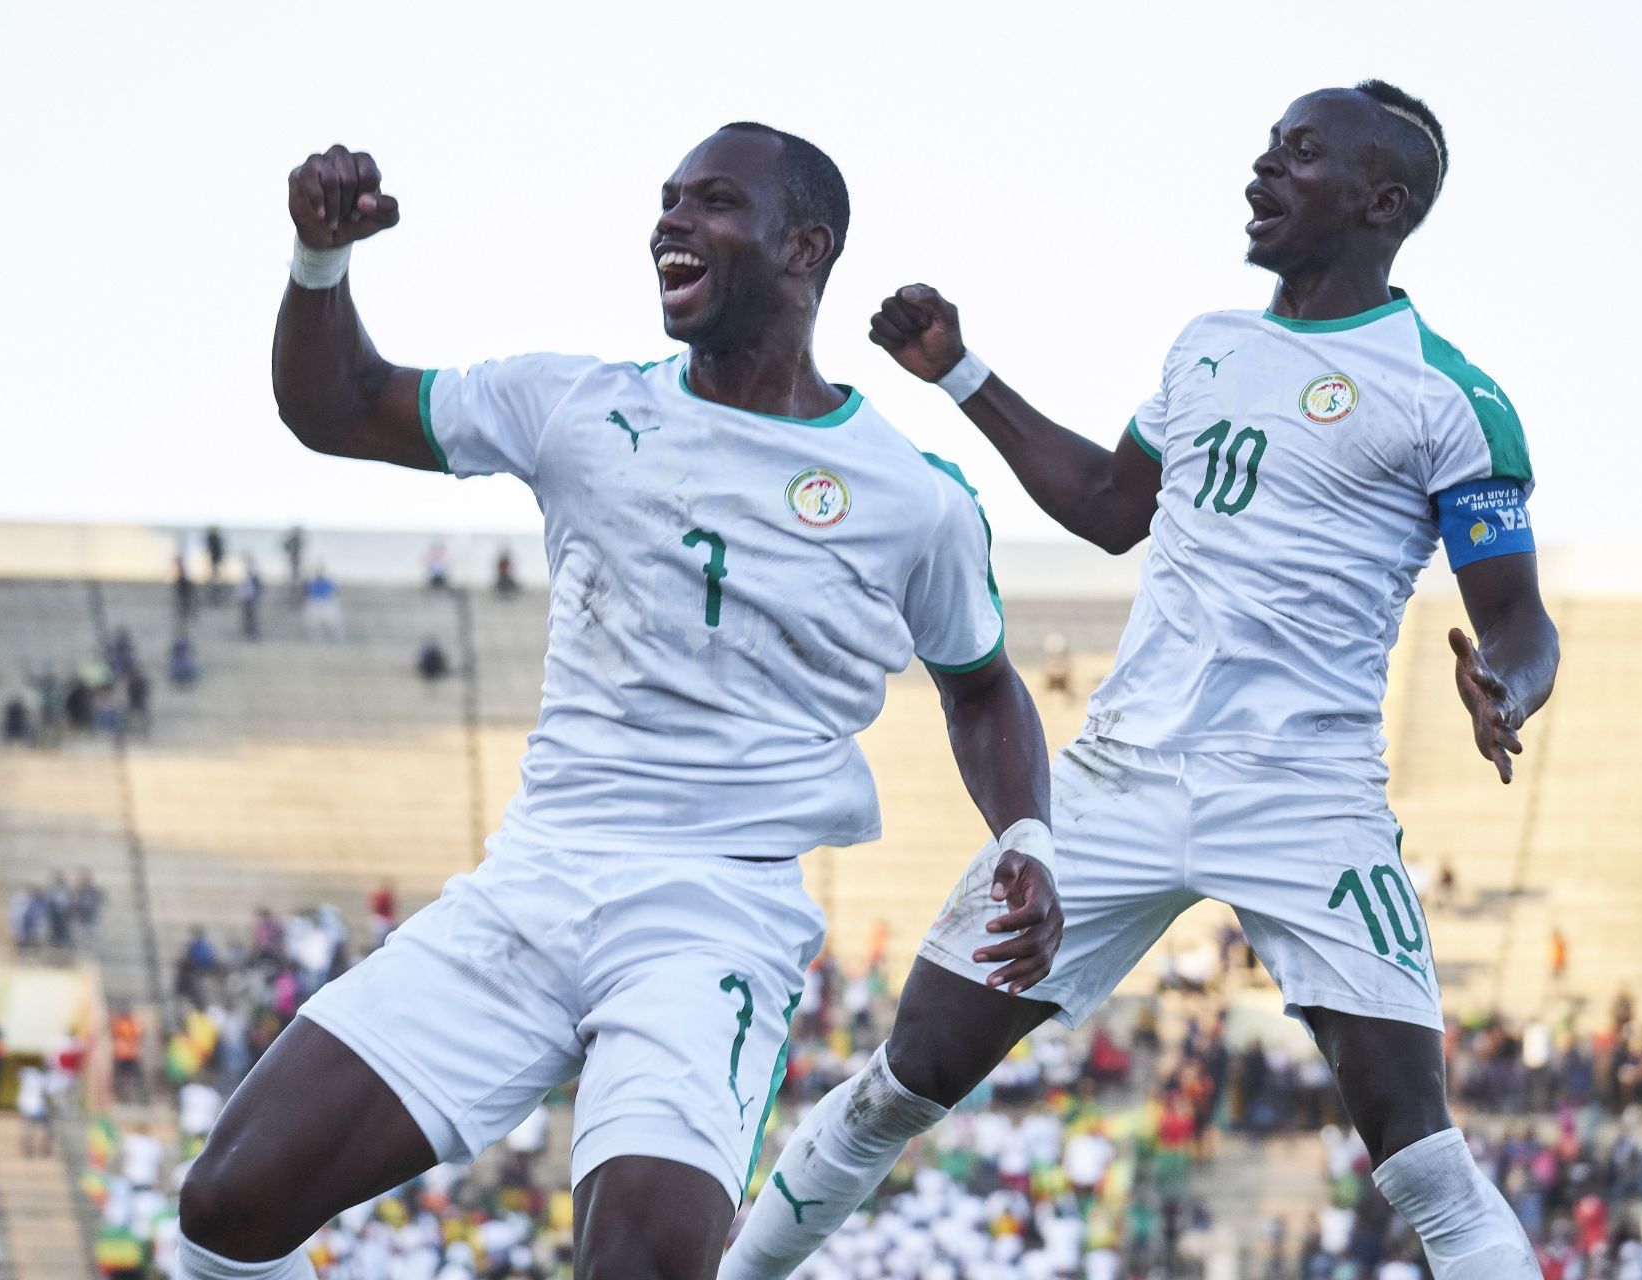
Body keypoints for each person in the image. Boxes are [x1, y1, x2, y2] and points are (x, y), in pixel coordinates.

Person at [174, 124, 1060, 1280]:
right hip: (537, 879)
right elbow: (334, 404)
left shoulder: (919, 500)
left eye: (713, 203)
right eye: (668, 200)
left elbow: (983, 685)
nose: (671, 223)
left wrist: (1028, 833)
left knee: (638, 1263)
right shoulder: (574, 408)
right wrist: (319, 260)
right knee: (228, 1202)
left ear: (805, 246)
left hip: (712, 921)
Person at [727, 81, 1559, 1280]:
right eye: (1269, 148)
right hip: (1118, 777)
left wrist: (1508, 686)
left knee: (1423, 1157)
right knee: (897, 1084)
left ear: (1382, 202)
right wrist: (961, 372)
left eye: (1300, 155)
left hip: (1305, 796)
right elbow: (1114, 508)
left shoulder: (1448, 397)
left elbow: (1522, 626)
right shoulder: (1207, 345)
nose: (1261, 171)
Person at [301, 568, 343, 641]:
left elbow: (336, 592)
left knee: (332, 624)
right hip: (317, 604)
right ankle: (317, 641)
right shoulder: (313, 583)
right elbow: (306, 593)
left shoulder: (325, 582)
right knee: (314, 625)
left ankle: (338, 639)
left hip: (324, 604)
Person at [240, 556, 264, 639]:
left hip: (251, 599)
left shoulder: (253, 575)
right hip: (246, 599)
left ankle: (252, 633)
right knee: (247, 617)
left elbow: (258, 588)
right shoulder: (245, 575)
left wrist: (257, 599)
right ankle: (248, 632)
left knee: (252, 617)